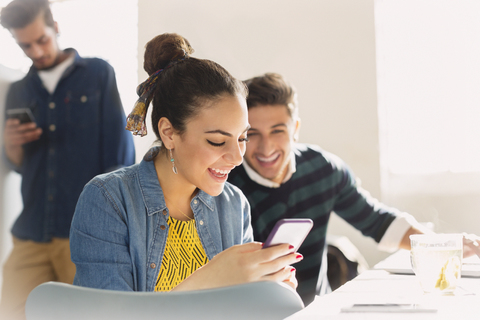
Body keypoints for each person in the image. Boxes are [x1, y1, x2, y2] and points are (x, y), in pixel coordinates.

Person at [70, 33, 301, 294]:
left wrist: (267, 293)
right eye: (216, 141)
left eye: (243, 137)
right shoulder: (108, 200)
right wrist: (212, 278)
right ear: (169, 133)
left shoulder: (233, 204)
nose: (237, 158)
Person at [227, 72, 480, 305]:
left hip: (318, 308)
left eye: (277, 131)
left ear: (295, 129)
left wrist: (439, 244)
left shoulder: (323, 168)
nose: (266, 147)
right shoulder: (226, 185)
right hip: (256, 311)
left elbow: (377, 221)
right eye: (253, 134)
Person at [0, 0, 135, 318]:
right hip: (30, 233)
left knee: (85, 315)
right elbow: (16, 165)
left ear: (55, 27)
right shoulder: (18, 90)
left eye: (41, 40)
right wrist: (11, 144)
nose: (35, 51)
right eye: (25, 45)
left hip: (83, 233)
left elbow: (119, 157)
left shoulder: (99, 74)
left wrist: (113, 232)